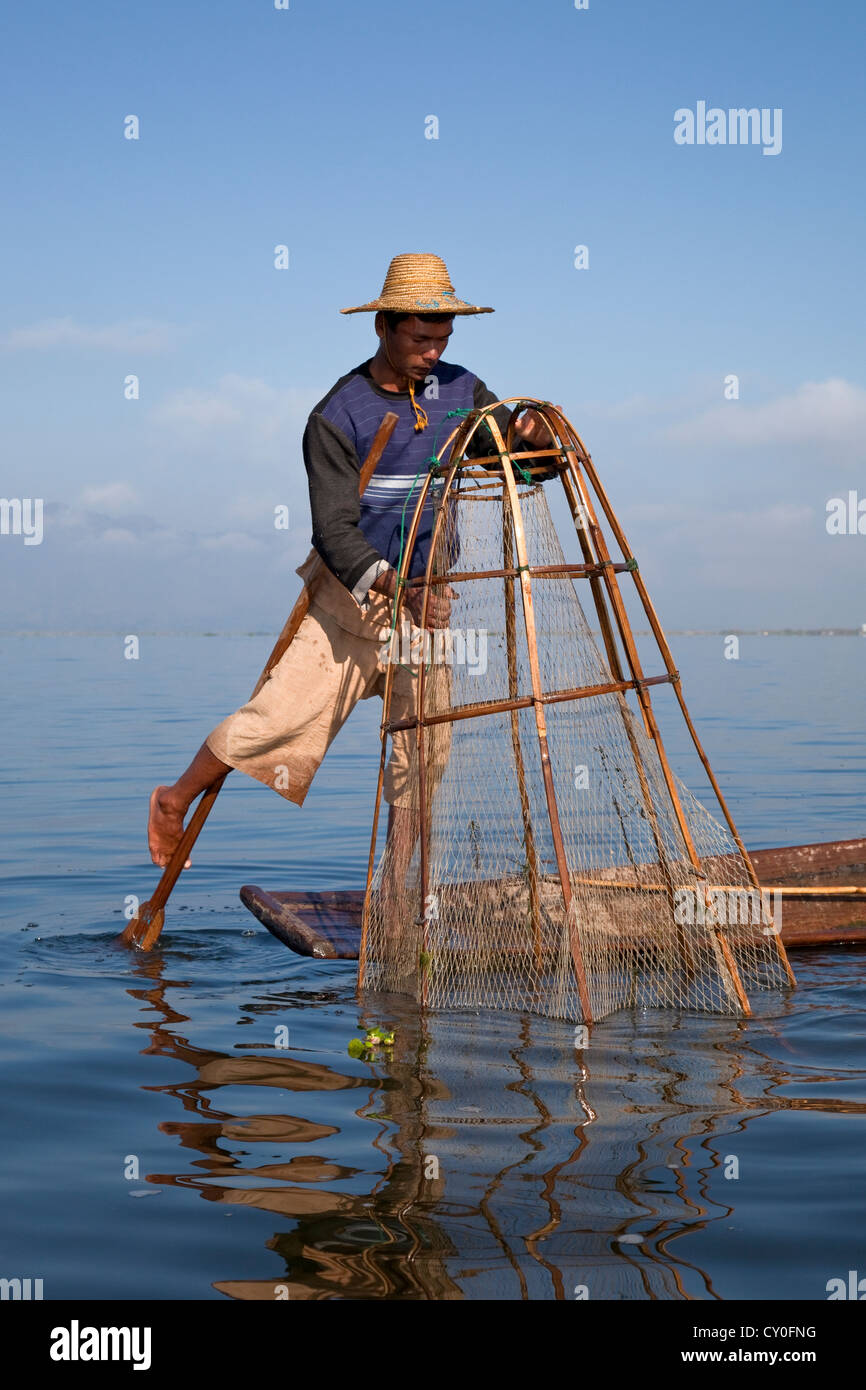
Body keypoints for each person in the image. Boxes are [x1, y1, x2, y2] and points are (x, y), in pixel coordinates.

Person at [146, 252, 558, 874]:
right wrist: (396, 589)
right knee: (274, 723)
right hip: (352, 597)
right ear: (383, 329)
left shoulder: (463, 391)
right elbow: (334, 534)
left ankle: (395, 887)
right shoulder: (337, 416)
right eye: (419, 338)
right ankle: (173, 798)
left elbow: (520, 464)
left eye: (442, 338)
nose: (431, 352)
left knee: (424, 754)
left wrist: (532, 437)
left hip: (429, 599)